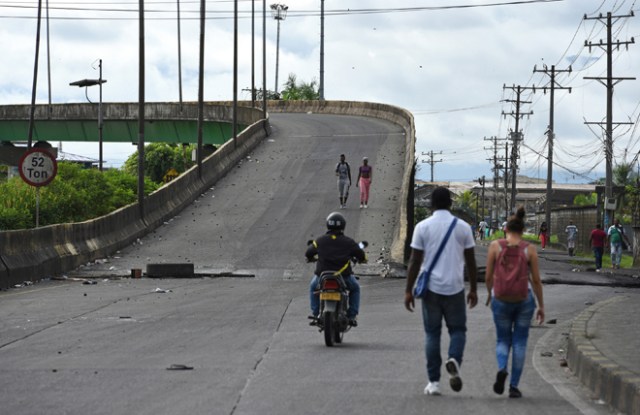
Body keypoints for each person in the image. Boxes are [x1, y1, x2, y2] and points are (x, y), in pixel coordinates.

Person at [404, 187, 478, 396]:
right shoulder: (463, 227)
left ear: (431, 204)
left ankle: (434, 382)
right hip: (455, 288)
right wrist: (473, 288)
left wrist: (408, 290)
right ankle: (454, 358)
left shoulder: (422, 227)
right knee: (458, 331)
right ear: (451, 204)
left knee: (432, 334)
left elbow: (414, 261)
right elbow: (471, 261)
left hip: (431, 290)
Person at [485, 207, 545, 399]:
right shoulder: (530, 249)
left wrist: (489, 293)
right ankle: (514, 386)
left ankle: (502, 367)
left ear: (506, 229)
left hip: (500, 299)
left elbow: (488, 276)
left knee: (503, 340)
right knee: (519, 342)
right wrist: (541, 306)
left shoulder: (495, 246)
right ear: (522, 230)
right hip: (523, 300)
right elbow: (536, 280)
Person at [306, 212, 366, 327]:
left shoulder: (319, 240)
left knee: (313, 287)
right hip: (344, 277)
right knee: (355, 288)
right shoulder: (349, 242)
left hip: (322, 277)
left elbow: (308, 253)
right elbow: (361, 255)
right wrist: (362, 259)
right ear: (343, 226)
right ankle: (352, 316)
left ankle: (316, 314)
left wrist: (311, 258)